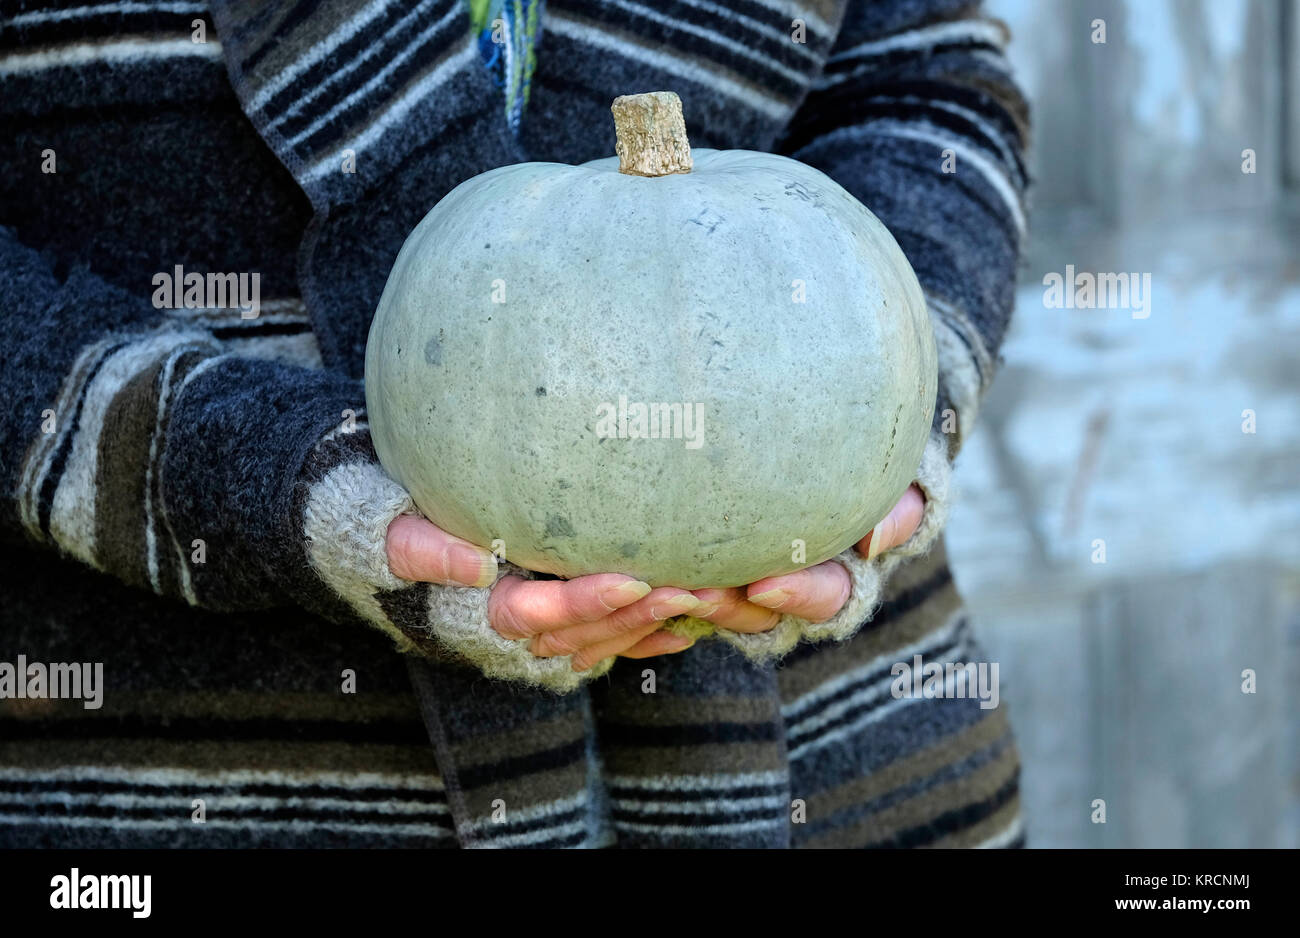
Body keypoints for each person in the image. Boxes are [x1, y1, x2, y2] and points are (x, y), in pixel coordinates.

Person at [0, 0, 1029, 847]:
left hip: (851, 771)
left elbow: (924, 81)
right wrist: (244, 469)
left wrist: (895, 383)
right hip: (208, 784)